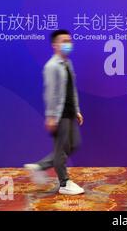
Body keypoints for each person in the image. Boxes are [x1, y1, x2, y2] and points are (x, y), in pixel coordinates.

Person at [24, 29, 85, 195]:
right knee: (61, 149)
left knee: (72, 145)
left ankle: (40, 166)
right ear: (55, 45)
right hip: (59, 114)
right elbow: (50, 92)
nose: (68, 44)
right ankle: (64, 183)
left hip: (70, 112)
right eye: (63, 41)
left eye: (69, 41)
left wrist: (77, 110)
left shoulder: (68, 63)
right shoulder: (51, 66)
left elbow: (71, 90)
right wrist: (51, 116)